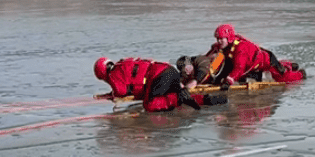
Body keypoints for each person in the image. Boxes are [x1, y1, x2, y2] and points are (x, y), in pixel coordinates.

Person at [94, 57, 227, 112]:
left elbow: (121, 91)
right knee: (173, 95)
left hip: (158, 76)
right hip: (169, 71)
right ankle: (210, 99)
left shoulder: (112, 75)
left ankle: (180, 98)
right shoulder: (122, 64)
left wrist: (112, 95)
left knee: (150, 104)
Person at [208, 23, 305, 85]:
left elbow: (239, 68)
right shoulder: (222, 46)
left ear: (228, 38)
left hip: (267, 62)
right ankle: (288, 65)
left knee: (284, 79)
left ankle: (301, 74)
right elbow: (207, 58)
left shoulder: (240, 49)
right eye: (217, 39)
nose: (218, 41)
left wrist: (229, 81)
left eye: (221, 38)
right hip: (252, 65)